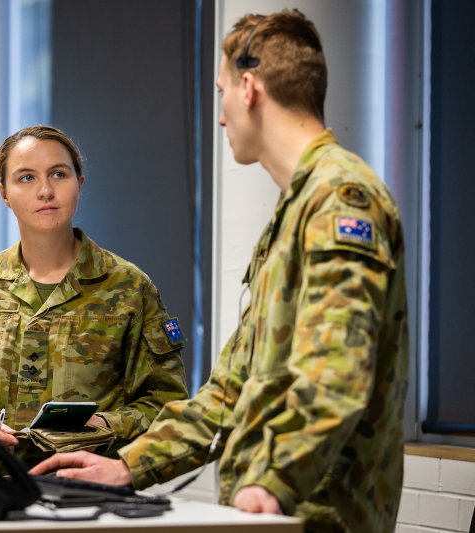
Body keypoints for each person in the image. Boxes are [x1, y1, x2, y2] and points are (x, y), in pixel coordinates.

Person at [30, 10, 409, 533]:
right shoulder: (294, 212)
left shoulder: (341, 201)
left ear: (249, 88)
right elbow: (231, 389)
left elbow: (336, 370)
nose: (221, 116)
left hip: (318, 516)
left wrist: (271, 480)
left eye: (222, 93)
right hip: (275, 514)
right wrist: (126, 467)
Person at [0, 125, 189, 466]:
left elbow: (166, 405)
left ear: (80, 183)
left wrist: (103, 425)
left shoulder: (129, 287)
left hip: (86, 493)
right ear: (4, 194)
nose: (45, 190)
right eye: (26, 178)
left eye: (58, 174)